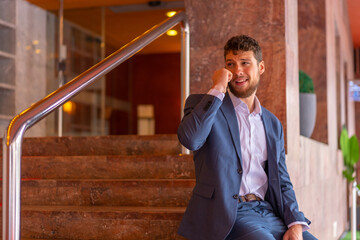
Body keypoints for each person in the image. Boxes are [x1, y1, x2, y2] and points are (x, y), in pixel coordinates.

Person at [177, 35, 317, 240]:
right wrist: (217, 89)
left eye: (245, 63)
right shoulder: (204, 104)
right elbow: (190, 139)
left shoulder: (272, 123)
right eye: (230, 64)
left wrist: (295, 222)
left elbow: (282, 180)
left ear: (260, 67)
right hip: (229, 215)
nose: (237, 71)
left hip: (267, 212)